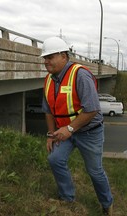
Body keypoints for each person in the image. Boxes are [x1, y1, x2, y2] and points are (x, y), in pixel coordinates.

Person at [41, 37, 113, 215]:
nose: (46, 61)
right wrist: (51, 134)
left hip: (89, 132)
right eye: (45, 58)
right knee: (55, 159)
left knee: (94, 171)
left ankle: (107, 205)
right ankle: (67, 198)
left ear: (64, 56)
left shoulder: (80, 75)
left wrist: (70, 129)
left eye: (50, 57)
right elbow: (48, 110)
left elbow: (92, 109)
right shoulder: (49, 80)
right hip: (65, 131)